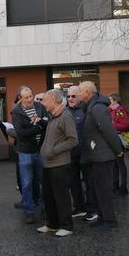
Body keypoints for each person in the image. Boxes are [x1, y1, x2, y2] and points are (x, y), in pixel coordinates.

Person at [79, 81, 122, 230]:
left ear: (88, 92)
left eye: (80, 91)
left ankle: (110, 221)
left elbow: (108, 131)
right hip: (95, 155)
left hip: (102, 156)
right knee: (98, 189)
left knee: (104, 189)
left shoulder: (97, 108)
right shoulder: (91, 106)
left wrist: (118, 151)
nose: (78, 94)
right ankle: (102, 218)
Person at [38, 89, 78, 237]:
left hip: (59, 163)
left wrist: (53, 150)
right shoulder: (53, 116)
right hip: (48, 163)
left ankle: (67, 226)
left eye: (45, 100)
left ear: (54, 101)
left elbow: (73, 140)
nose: (43, 103)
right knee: (48, 195)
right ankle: (52, 224)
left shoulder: (65, 116)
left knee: (61, 196)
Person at [11, 86, 48, 224]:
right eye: (26, 97)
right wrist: (38, 127)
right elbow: (21, 134)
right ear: (20, 98)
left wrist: (40, 122)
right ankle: (29, 211)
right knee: (26, 184)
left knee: (43, 181)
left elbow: (47, 123)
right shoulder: (16, 112)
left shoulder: (40, 106)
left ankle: (45, 208)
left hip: (40, 150)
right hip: (25, 152)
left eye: (31, 96)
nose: (30, 99)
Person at [66, 86, 90, 218]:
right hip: (71, 153)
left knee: (88, 181)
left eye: (73, 96)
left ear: (80, 97)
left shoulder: (85, 110)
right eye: (68, 96)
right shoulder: (65, 111)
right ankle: (79, 207)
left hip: (85, 152)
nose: (70, 99)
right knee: (73, 182)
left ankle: (91, 207)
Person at [108, 93, 129, 195]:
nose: (108, 102)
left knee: (120, 163)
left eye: (110, 100)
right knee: (114, 164)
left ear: (115, 101)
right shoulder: (110, 110)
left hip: (119, 140)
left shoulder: (120, 111)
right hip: (112, 139)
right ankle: (114, 186)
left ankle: (123, 187)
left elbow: (126, 125)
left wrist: (112, 125)